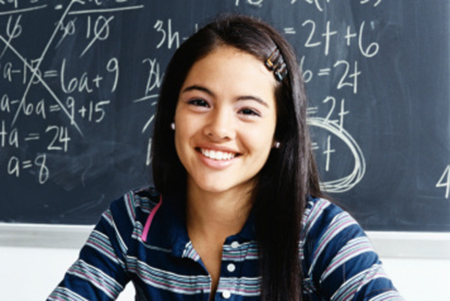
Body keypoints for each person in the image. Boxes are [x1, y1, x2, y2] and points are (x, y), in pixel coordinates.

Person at [48, 14, 403, 301]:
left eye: (247, 110)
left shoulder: (321, 233)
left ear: (279, 132)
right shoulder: (132, 222)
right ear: (173, 113)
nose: (219, 128)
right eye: (200, 102)